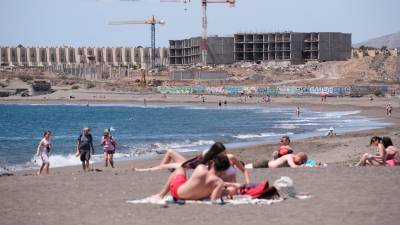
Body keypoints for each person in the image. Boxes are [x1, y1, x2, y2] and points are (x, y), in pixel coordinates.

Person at [134, 142, 251, 184]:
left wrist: (247, 182)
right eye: (223, 153)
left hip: (190, 167)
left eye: (225, 153)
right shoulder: (209, 157)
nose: (225, 155)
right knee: (169, 154)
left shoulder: (217, 160)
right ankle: (145, 170)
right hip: (189, 164)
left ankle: (145, 170)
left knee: (166, 163)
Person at [156, 155, 231, 202]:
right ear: (224, 170)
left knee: (180, 169)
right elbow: (213, 199)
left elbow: (193, 180)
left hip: (177, 192)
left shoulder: (201, 167)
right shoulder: (219, 182)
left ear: (213, 163)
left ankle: (161, 195)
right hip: (193, 198)